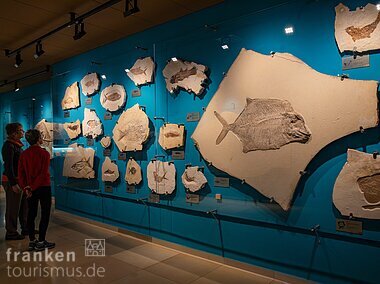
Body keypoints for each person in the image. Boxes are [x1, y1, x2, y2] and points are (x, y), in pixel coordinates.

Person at [18, 129, 55, 251]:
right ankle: (41, 241)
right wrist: (32, 187)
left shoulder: (24, 154)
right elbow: (43, 174)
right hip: (43, 187)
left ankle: (32, 240)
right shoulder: (44, 154)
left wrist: (26, 188)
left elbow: (21, 173)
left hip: (30, 188)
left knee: (31, 213)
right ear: (38, 138)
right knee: (45, 214)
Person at [1, 122, 28, 240]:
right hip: (12, 180)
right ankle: (11, 232)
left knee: (23, 206)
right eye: (21, 130)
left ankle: (25, 228)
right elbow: (9, 167)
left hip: (19, 180)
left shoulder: (16, 145)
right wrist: (13, 184)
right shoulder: (9, 146)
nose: (23, 132)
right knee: (13, 208)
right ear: (14, 133)